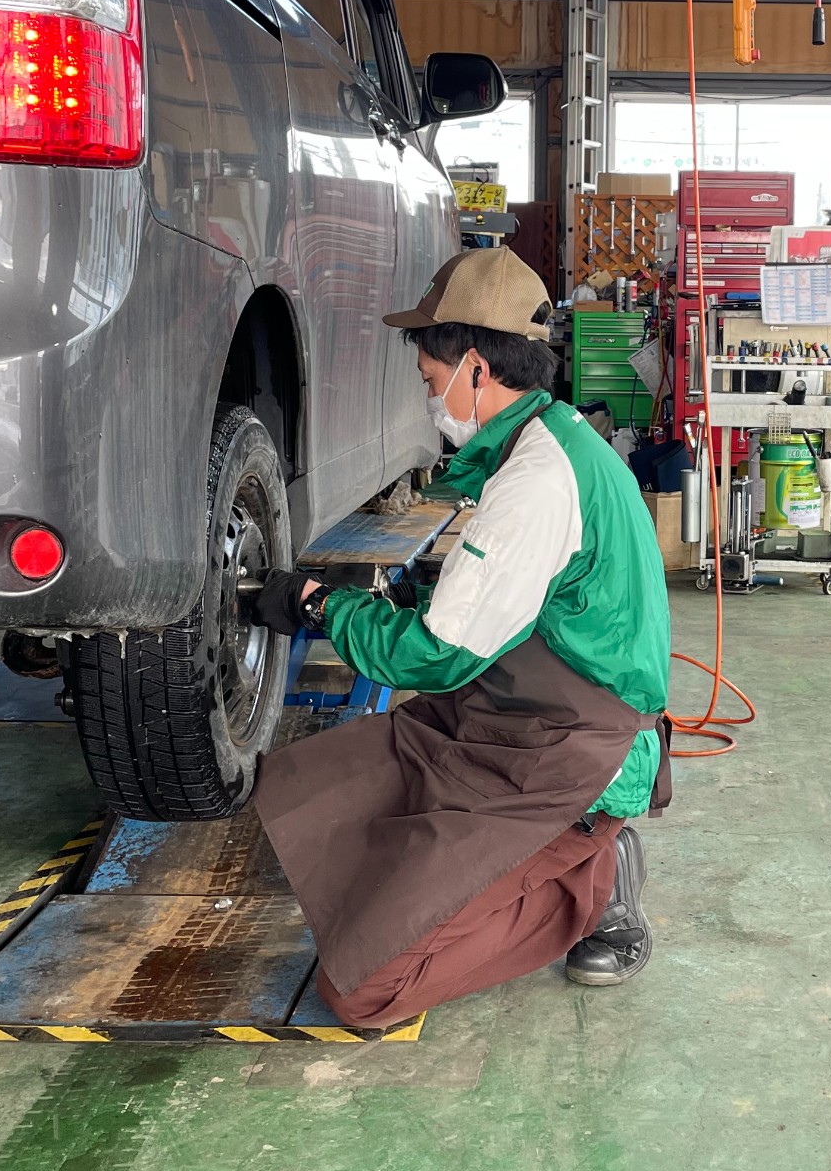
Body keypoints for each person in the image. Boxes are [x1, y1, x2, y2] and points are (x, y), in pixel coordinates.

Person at [244, 247, 672, 1029]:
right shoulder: (548, 440)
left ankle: (592, 875)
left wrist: (320, 608)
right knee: (313, 791)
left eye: (430, 378)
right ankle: (461, 876)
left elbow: (436, 655)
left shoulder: (536, 483)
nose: (428, 396)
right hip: (514, 717)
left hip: (570, 753)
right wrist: (404, 596)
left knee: (364, 990)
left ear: (476, 366)